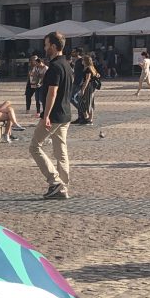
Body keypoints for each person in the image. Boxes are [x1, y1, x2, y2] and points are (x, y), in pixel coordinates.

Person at [30, 30, 72, 199]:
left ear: (54, 47)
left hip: (54, 116)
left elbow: (52, 93)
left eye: (46, 45)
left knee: (34, 147)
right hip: (66, 115)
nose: (44, 48)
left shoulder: (54, 67)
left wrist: (46, 115)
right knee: (61, 150)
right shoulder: (67, 65)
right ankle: (63, 186)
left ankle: (55, 182)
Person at [75, 55, 101, 125]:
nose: (82, 61)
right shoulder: (91, 68)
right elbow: (98, 75)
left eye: (83, 60)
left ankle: (88, 118)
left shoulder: (88, 69)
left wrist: (83, 89)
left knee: (85, 102)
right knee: (87, 102)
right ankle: (88, 118)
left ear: (86, 61)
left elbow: (87, 80)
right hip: (90, 86)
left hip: (88, 87)